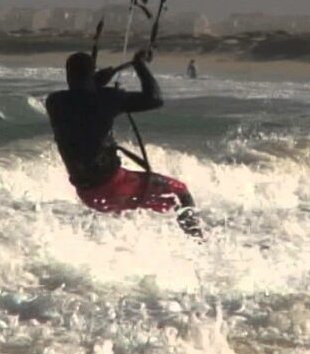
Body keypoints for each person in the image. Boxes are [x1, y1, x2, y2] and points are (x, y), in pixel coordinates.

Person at [46, 50, 203, 238]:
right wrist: (139, 65)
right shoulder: (107, 98)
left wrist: (97, 81)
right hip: (115, 186)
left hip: (88, 195)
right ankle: (198, 242)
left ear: (68, 75)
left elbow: (81, 96)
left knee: (143, 209)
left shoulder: (55, 102)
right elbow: (154, 99)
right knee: (179, 192)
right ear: (92, 73)